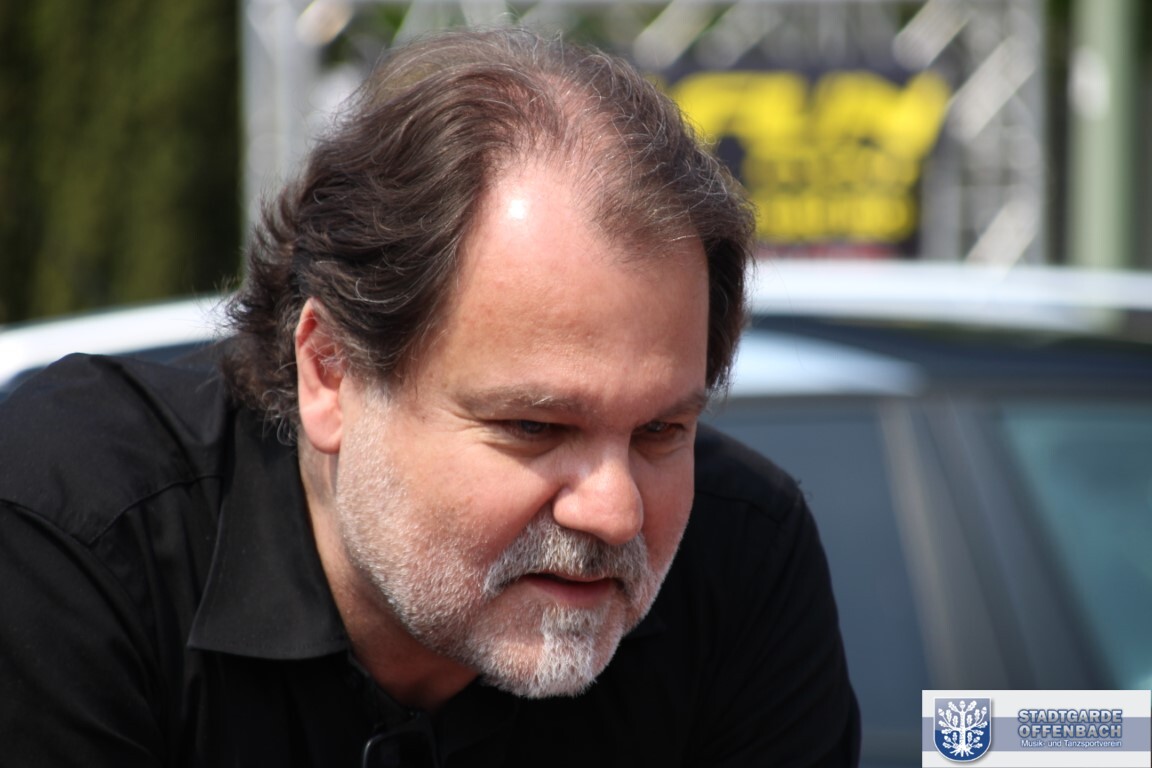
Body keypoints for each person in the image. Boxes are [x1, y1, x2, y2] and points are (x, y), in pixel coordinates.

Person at [0, 26, 858, 767]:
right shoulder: (74, 536)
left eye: (662, 430)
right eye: (535, 425)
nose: (616, 511)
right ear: (330, 372)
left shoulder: (744, 560)